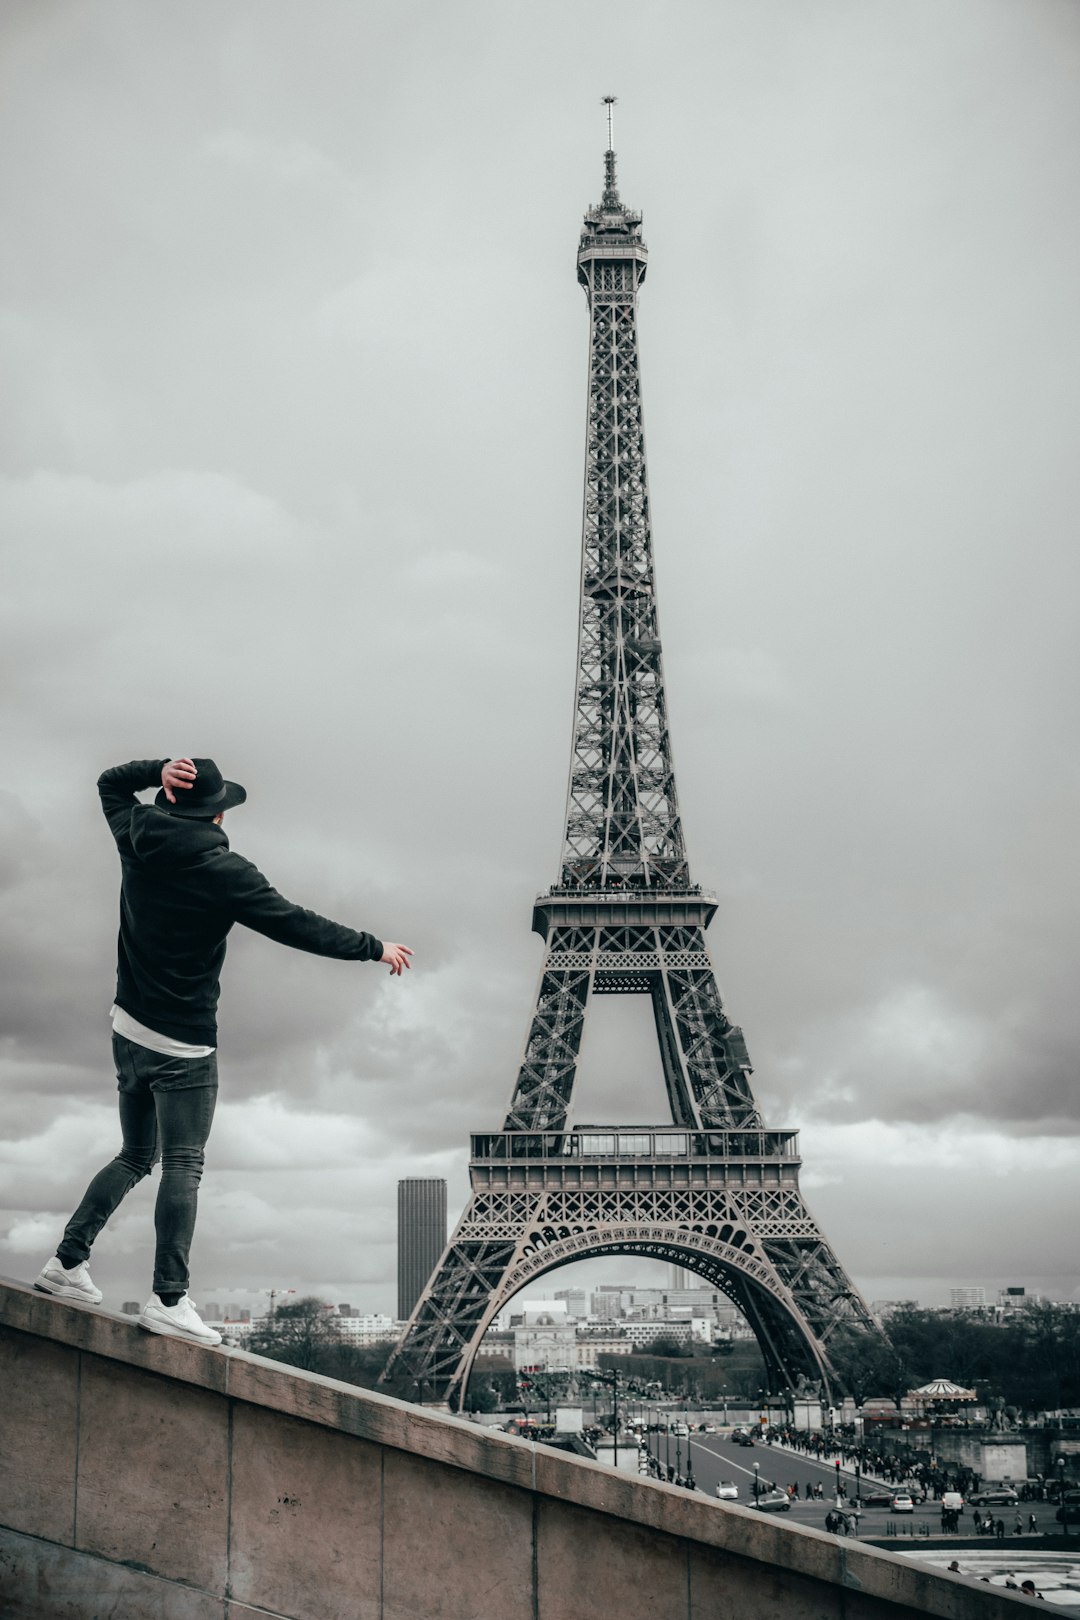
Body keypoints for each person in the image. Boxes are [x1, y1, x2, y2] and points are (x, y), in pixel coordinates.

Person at [35, 757, 411, 1346]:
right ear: (217, 811)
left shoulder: (133, 832)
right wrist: (374, 947)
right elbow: (296, 924)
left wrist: (156, 766)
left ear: (167, 794)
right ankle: (169, 1298)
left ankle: (66, 1263)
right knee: (183, 1164)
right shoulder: (223, 869)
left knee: (136, 1156)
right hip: (183, 1045)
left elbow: (109, 781)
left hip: (127, 1027)